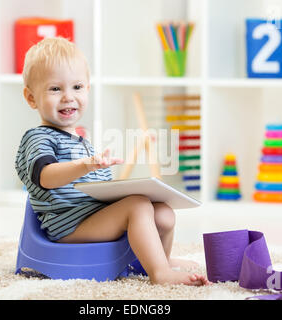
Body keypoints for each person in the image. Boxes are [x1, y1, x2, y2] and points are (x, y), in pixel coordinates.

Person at [15, 37, 208, 286]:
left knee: (164, 214)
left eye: (77, 87)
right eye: (55, 89)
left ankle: (162, 258)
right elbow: (46, 176)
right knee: (137, 206)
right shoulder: (38, 137)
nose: (68, 97)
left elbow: (93, 192)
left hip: (91, 216)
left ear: (87, 89)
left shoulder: (81, 142)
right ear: (31, 98)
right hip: (69, 228)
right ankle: (160, 274)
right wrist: (85, 166)